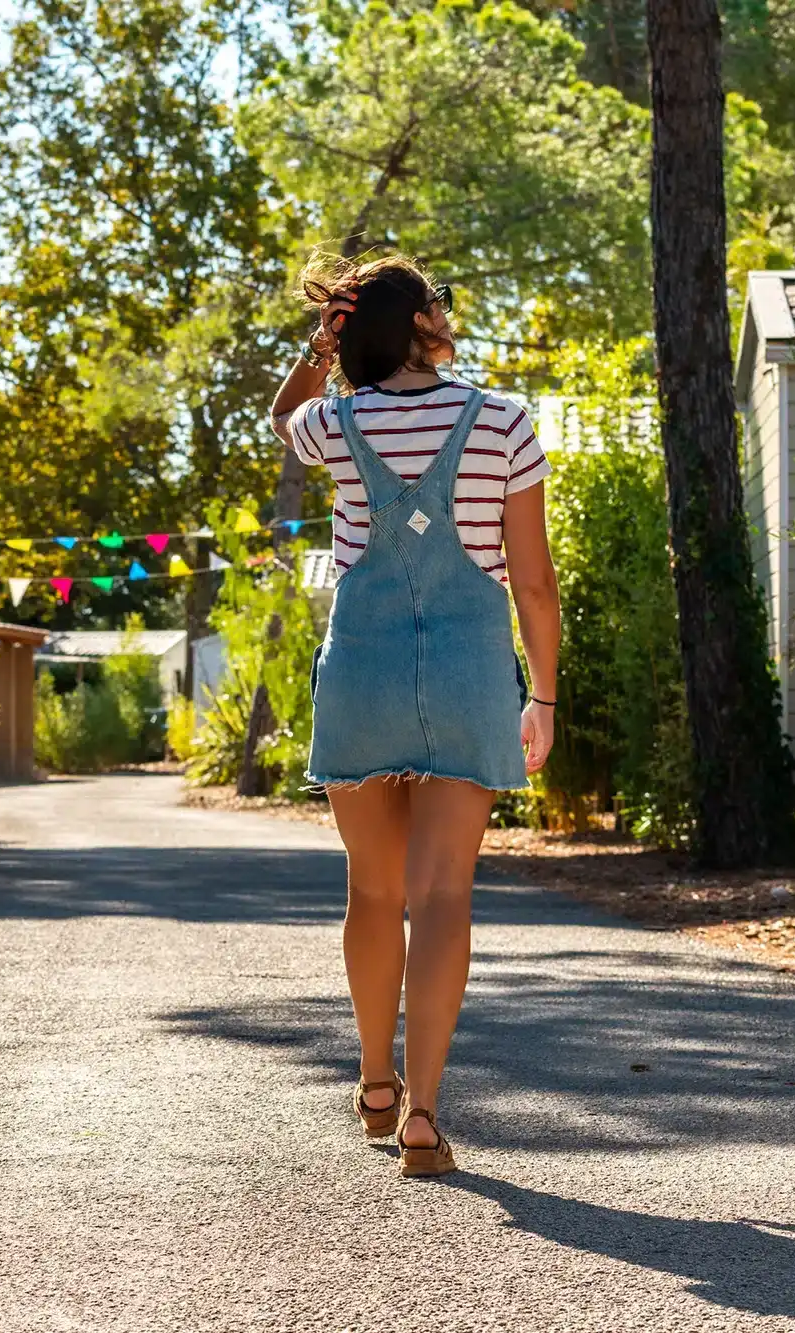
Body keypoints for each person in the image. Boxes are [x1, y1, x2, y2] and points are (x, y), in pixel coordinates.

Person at [268, 252, 560, 1178]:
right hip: (474, 673)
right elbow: (536, 583)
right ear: (425, 324)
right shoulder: (505, 422)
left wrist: (321, 354)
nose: (448, 310)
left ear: (356, 332)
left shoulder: (334, 419)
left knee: (373, 893)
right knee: (443, 898)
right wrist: (543, 695)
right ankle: (426, 1112)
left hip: (363, 671)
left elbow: (282, 420)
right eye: (439, 299)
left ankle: (374, 1080)